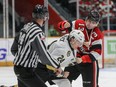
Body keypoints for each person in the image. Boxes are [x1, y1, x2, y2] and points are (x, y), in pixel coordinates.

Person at [11, 4, 61, 87]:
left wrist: (22, 59)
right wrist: (57, 66)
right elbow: (43, 55)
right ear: (45, 17)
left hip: (19, 68)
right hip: (26, 71)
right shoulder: (37, 32)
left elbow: (14, 49)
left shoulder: (26, 27)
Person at [57, 9, 103, 87]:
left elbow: (97, 53)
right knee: (64, 81)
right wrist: (63, 24)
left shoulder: (97, 34)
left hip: (89, 63)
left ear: (97, 24)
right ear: (86, 19)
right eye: (89, 21)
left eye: (93, 23)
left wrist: (82, 59)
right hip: (74, 58)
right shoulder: (78, 23)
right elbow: (61, 27)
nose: (90, 24)